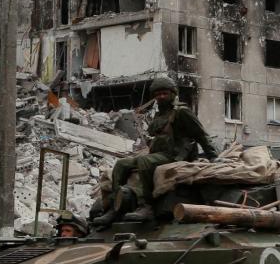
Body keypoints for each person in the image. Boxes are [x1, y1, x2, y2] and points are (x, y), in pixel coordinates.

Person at [90, 76, 218, 229]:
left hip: (176, 156)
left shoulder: (182, 112)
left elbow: (201, 135)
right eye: (158, 94)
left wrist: (213, 157)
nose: (161, 97)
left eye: (165, 93)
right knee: (121, 164)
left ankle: (146, 205)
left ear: (173, 93)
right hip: (159, 154)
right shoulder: (159, 115)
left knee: (144, 161)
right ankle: (115, 207)